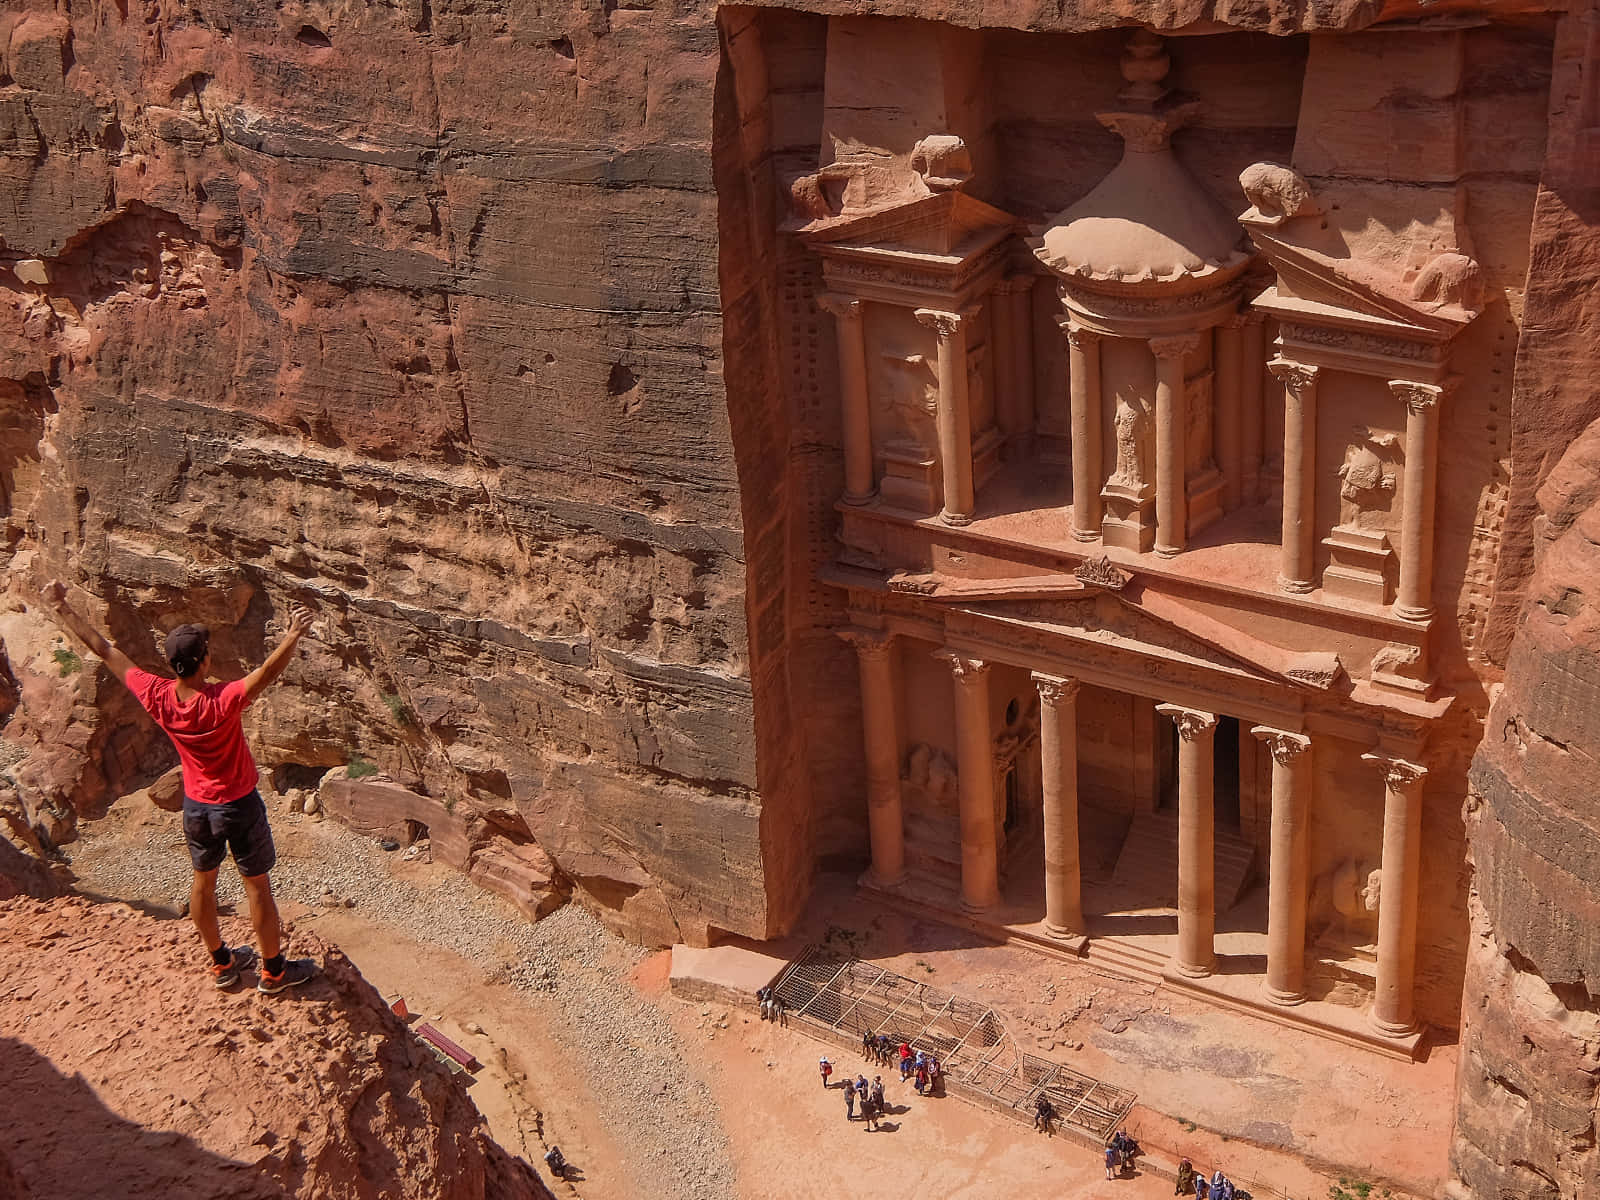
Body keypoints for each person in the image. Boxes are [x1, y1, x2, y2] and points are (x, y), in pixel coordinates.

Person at [39, 581, 317, 994]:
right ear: (203, 662)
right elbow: (266, 674)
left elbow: (104, 649)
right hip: (238, 804)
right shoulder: (221, 701)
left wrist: (62, 607)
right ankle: (273, 972)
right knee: (256, 884)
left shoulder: (157, 695)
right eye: (208, 652)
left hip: (197, 807)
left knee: (203, 881)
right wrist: (293, 634)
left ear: (173, 665)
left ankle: (221, 964)